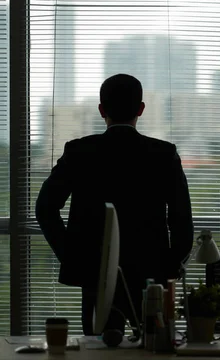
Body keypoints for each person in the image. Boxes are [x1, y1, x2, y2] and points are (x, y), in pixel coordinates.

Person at [35, 73, 194, 336]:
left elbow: (45, 208)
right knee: (154, 349)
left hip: (96, 274)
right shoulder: (163, 155)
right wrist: (168, 265)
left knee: (99, 350)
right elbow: (181, 220)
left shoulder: (79, 152)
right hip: (150, 276)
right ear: (141, 109)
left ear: (101, 110)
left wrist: (72, 256)